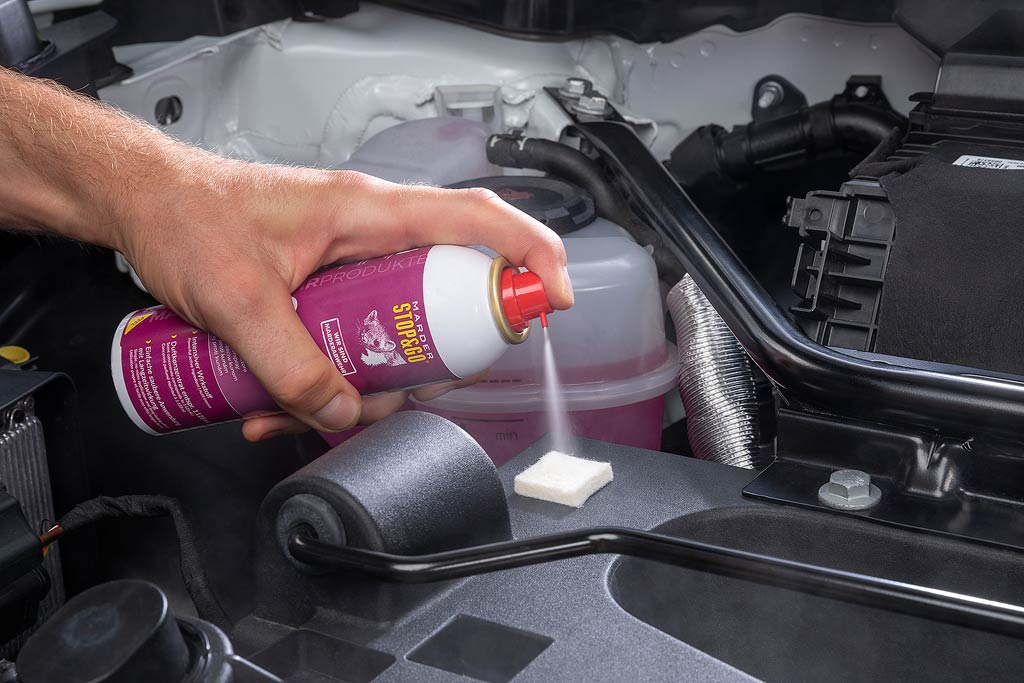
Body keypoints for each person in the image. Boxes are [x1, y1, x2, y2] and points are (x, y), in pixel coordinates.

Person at [0, 68, 573, 441]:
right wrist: (152, 193)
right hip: (126, 359)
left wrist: (147, 192)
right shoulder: (465, 283)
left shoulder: (470, 300)